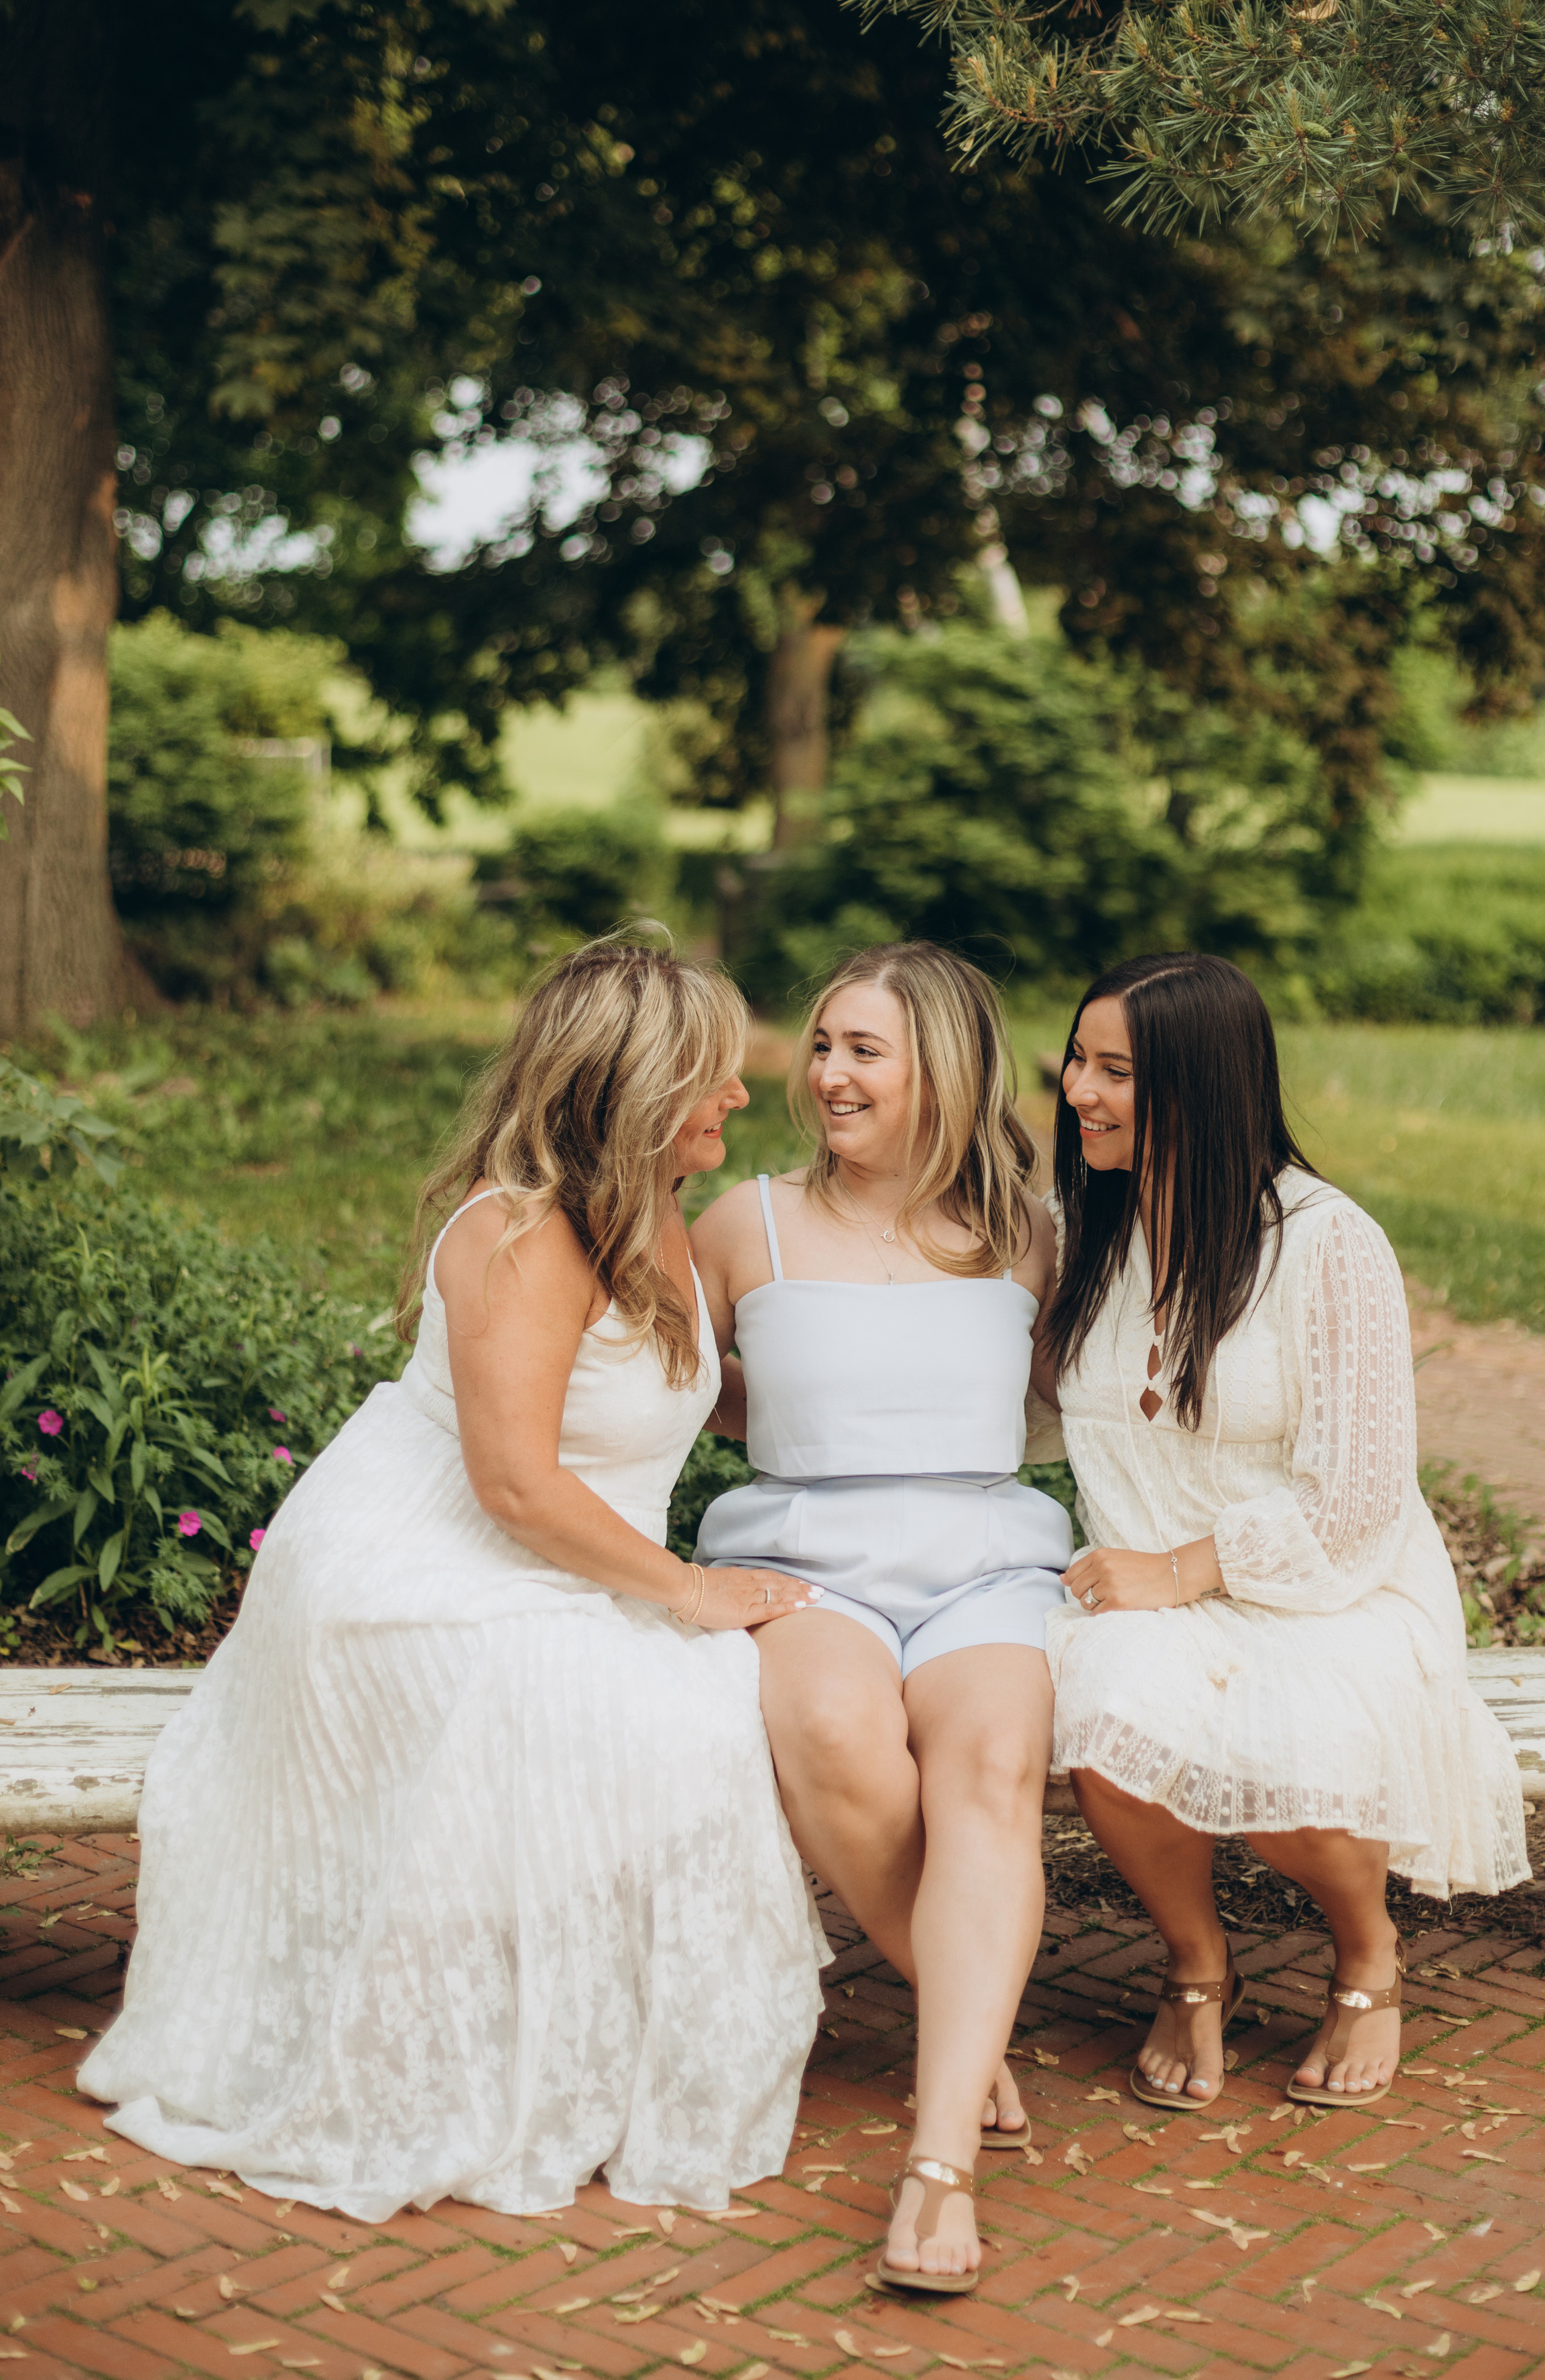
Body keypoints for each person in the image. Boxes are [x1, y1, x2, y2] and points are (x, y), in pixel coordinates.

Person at [82, 939, 826, 2221]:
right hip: (420, 1565)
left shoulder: (663, 1206)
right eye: (714, 1074)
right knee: (621, 1710)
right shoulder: (522, 1234)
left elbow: (672, 1399)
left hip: (565, 1552)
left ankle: (576, 2032)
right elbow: (517, 1484)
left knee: (682, 1718)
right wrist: (691, 1594)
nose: (742, 1097)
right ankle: (472, 2053)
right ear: (640, 1087)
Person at [1037, 953, 1528, 2114]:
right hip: (1149, 1586)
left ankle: (1368, 1951)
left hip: (1332, 1587)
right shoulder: (1085, 1230)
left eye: (1116, 1073)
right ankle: (1197, 1962)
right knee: (1102, 1729)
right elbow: (1024, 1396)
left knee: (1301, 1751)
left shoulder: (1325, 1243)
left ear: (1203, 1091)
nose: (1079, 1094)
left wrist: (1182, 1571)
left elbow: (1357, 1498)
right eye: (1078, 1061)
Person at [690, 941, 1068, 2298]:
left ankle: (934, 2167)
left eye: (866, 1051)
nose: (827, 1074)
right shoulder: (747, 1225)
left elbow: (1055, 1396)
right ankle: (973, 2030)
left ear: (942, 1075)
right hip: (806, 1558)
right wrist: (791, 1424)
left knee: (989, 1771)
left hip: (983, 1557)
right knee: (840, 1735)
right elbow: (675, 1384)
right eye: (824, 1043)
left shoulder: (1029, 1230)